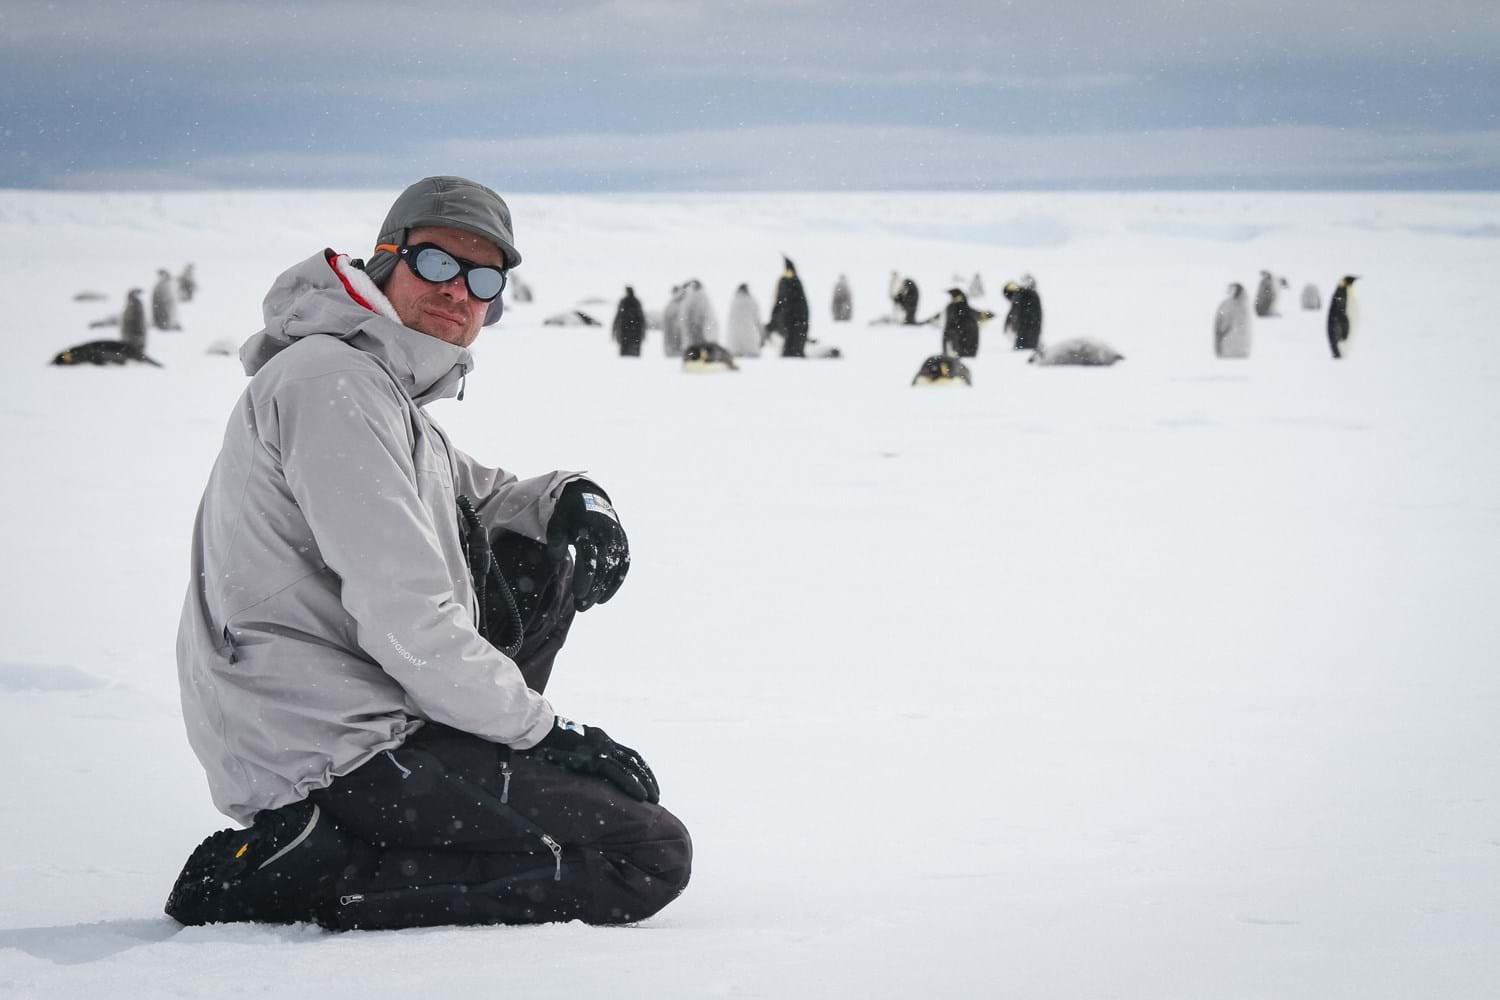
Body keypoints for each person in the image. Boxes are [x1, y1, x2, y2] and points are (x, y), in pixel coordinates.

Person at [165, 176, 691, 932]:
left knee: (544, 551)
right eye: (438, 264)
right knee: (644, 854)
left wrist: (575, 498)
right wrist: (546, 732)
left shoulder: (375, 386)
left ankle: (405, 808)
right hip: (321, 739)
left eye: (483, 279)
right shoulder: (331, 384)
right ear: (387, 260)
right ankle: (307, 871)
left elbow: (482, 494)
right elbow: (404, 614)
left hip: (356, 710)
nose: (459, 292)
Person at [766, 256, 810, 358]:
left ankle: (793, 350)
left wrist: (774, 321)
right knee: (792, 345)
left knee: (793, 346)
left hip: (793, 323)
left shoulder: (788, 283)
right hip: (791, 324)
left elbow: (779, 304)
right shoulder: (790, 283)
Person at [612, 285, 645, 356]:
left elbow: (618, 316)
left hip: (625, 332)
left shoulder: (624, 302)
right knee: (633, 353)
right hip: (635, 332)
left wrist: (614, 330)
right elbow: (642, 319)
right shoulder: (636, 302)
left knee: (626, 354)